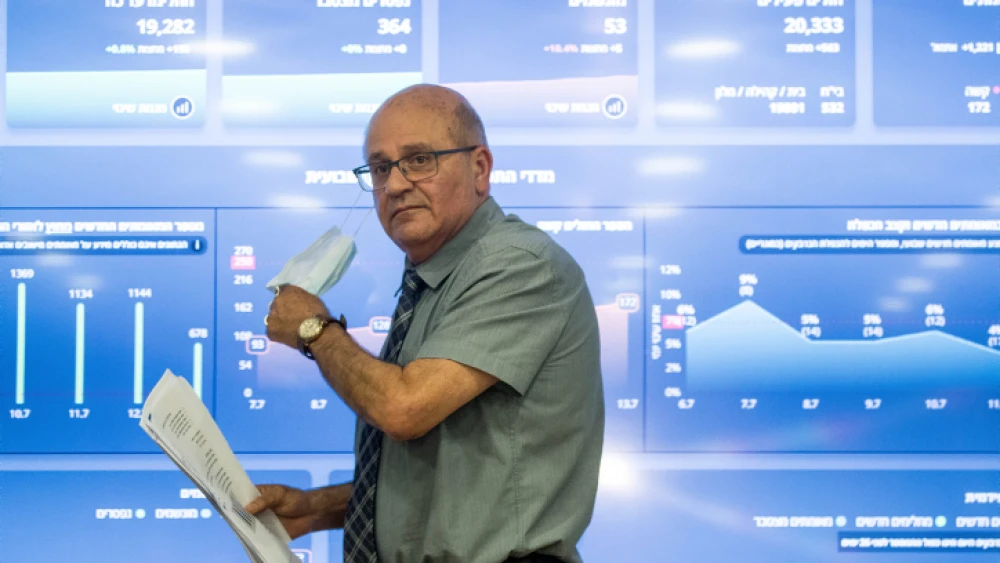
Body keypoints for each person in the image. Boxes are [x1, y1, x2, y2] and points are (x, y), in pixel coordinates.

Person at [249, 84, 605, 563]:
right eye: (380, 168)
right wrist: (314, 508)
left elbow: (403, 409)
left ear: (480, 168)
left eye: (419, 160)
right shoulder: (433, 278)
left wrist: (315, 329)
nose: (395, 184)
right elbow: (445, 484)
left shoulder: (520, 265)